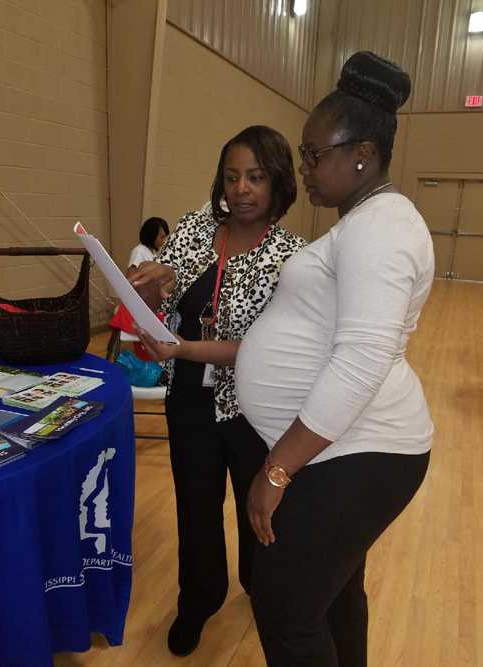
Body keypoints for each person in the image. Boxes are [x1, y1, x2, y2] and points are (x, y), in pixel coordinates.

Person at [235, 52, 435, 666]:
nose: (305, 168)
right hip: (342, 450)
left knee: (288, 611)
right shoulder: (361, 223)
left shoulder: (382, 229)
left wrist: (276, 470)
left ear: (362, 155)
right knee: (334, 595)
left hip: (361, 451)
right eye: (304, 153)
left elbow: (361, 362)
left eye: (315, 155)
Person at [131, 125, 306, 657]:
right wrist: (151, 288)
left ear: (278, 182)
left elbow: (257, 348)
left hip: (252, 404)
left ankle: (260, 587)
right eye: (232, 177)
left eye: (255, 177)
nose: (241, 189)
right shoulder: (193, 228)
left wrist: (181, 347)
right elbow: (168, 307)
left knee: (258, 508)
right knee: (194, 504)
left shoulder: (292, 257)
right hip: (189, 398)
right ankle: (199, 598)